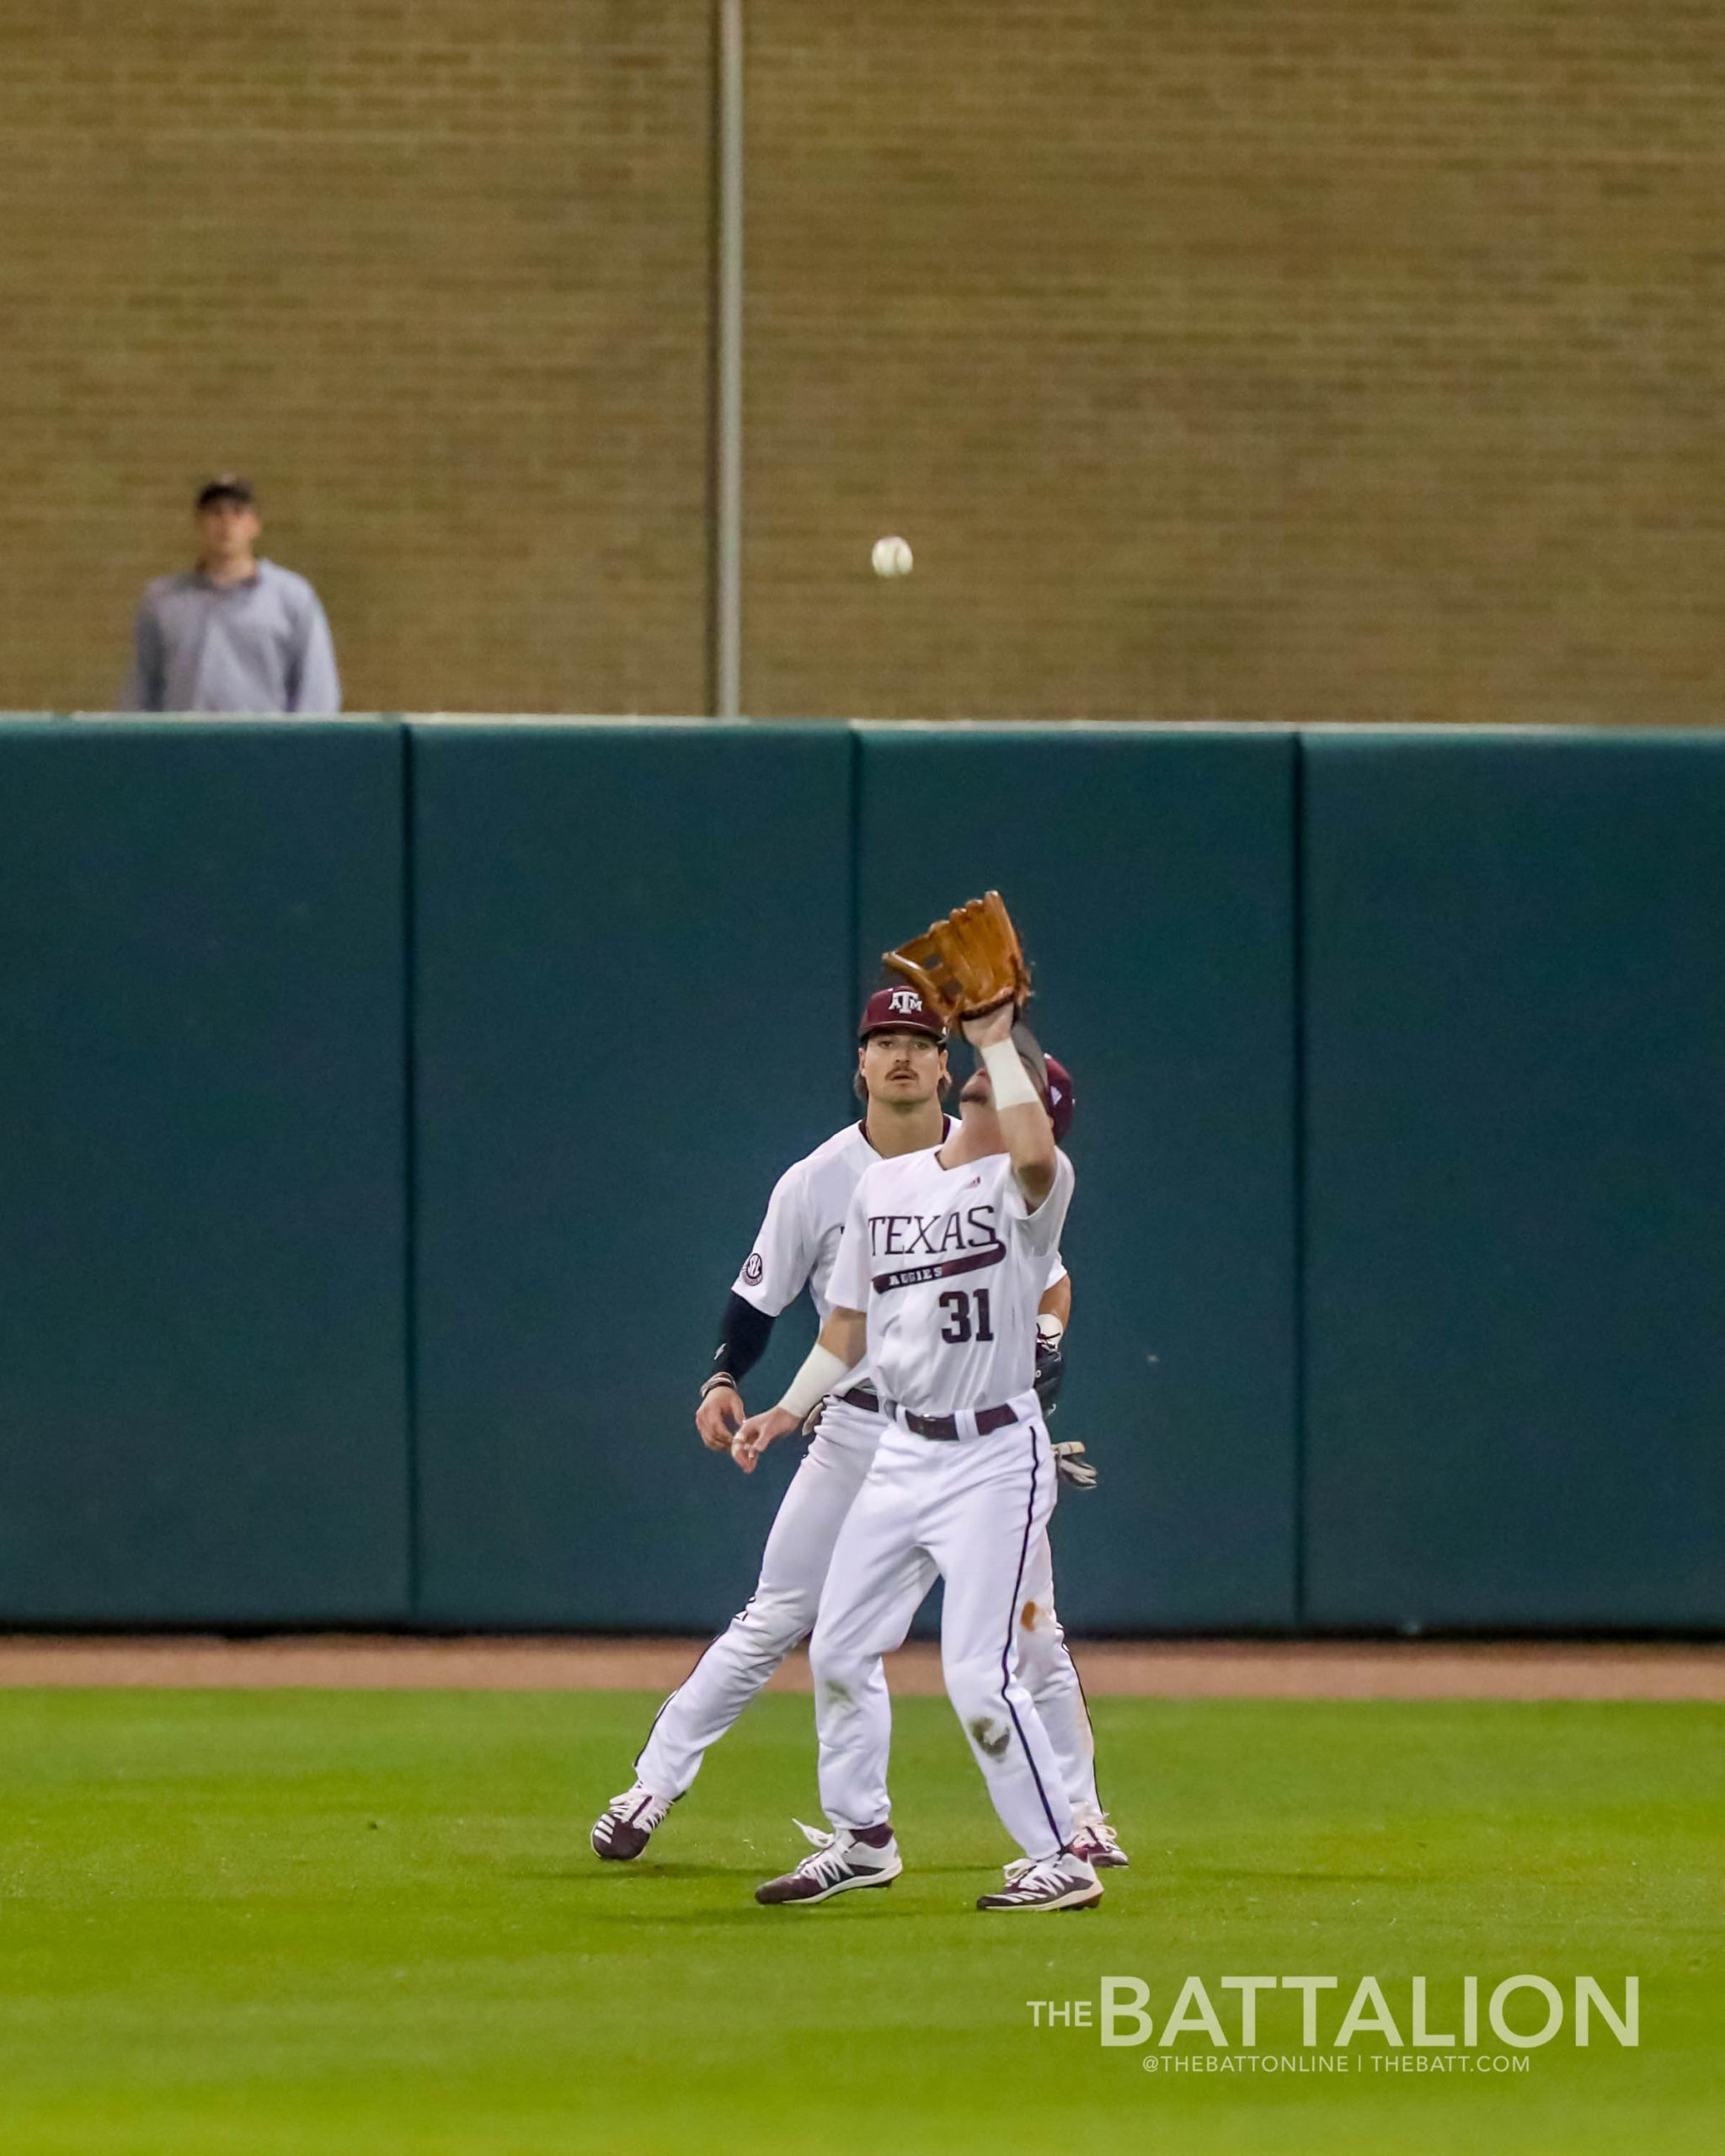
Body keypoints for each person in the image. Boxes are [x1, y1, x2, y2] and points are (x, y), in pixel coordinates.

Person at [590, 985, 1124, 1871]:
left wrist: (1046, 1335)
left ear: (950, 1069)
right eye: (885, 1040)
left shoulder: (997, 1168)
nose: (904, 1054)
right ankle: (663, 1784)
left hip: (984, 1443)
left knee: (1030, 1638)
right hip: (862, 1431)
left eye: (921, 1038)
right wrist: (747, 1385)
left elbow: (1049, 1267)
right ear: (861, 1065)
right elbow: (791, 1310)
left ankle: (1079, 1821)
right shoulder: (833, 1181)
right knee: (786, 1622)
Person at [740, 999, 1100, 1913]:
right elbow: (848, 1324)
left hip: (990, 1456)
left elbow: (1025, 1150)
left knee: (979, 1675)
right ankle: (861, 1837)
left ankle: (1061, 1850)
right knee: (839, 1647)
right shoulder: (883, 1188)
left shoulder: (1032, 1190)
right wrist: (786, 1407)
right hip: (899, 1451)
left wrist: (992, 1038)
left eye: (1000, 1093)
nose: (983, 1100)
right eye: (980, 1087)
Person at [123, 476, 341, 714]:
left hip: (265, 746)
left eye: (237, 512)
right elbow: (140, 688)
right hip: (185, 746)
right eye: (216, 513)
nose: (226, 522)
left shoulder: (292, 598)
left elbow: (317, 690)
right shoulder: (162, 601)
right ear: (198, 523)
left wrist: (303, 748)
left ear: (254, 525)